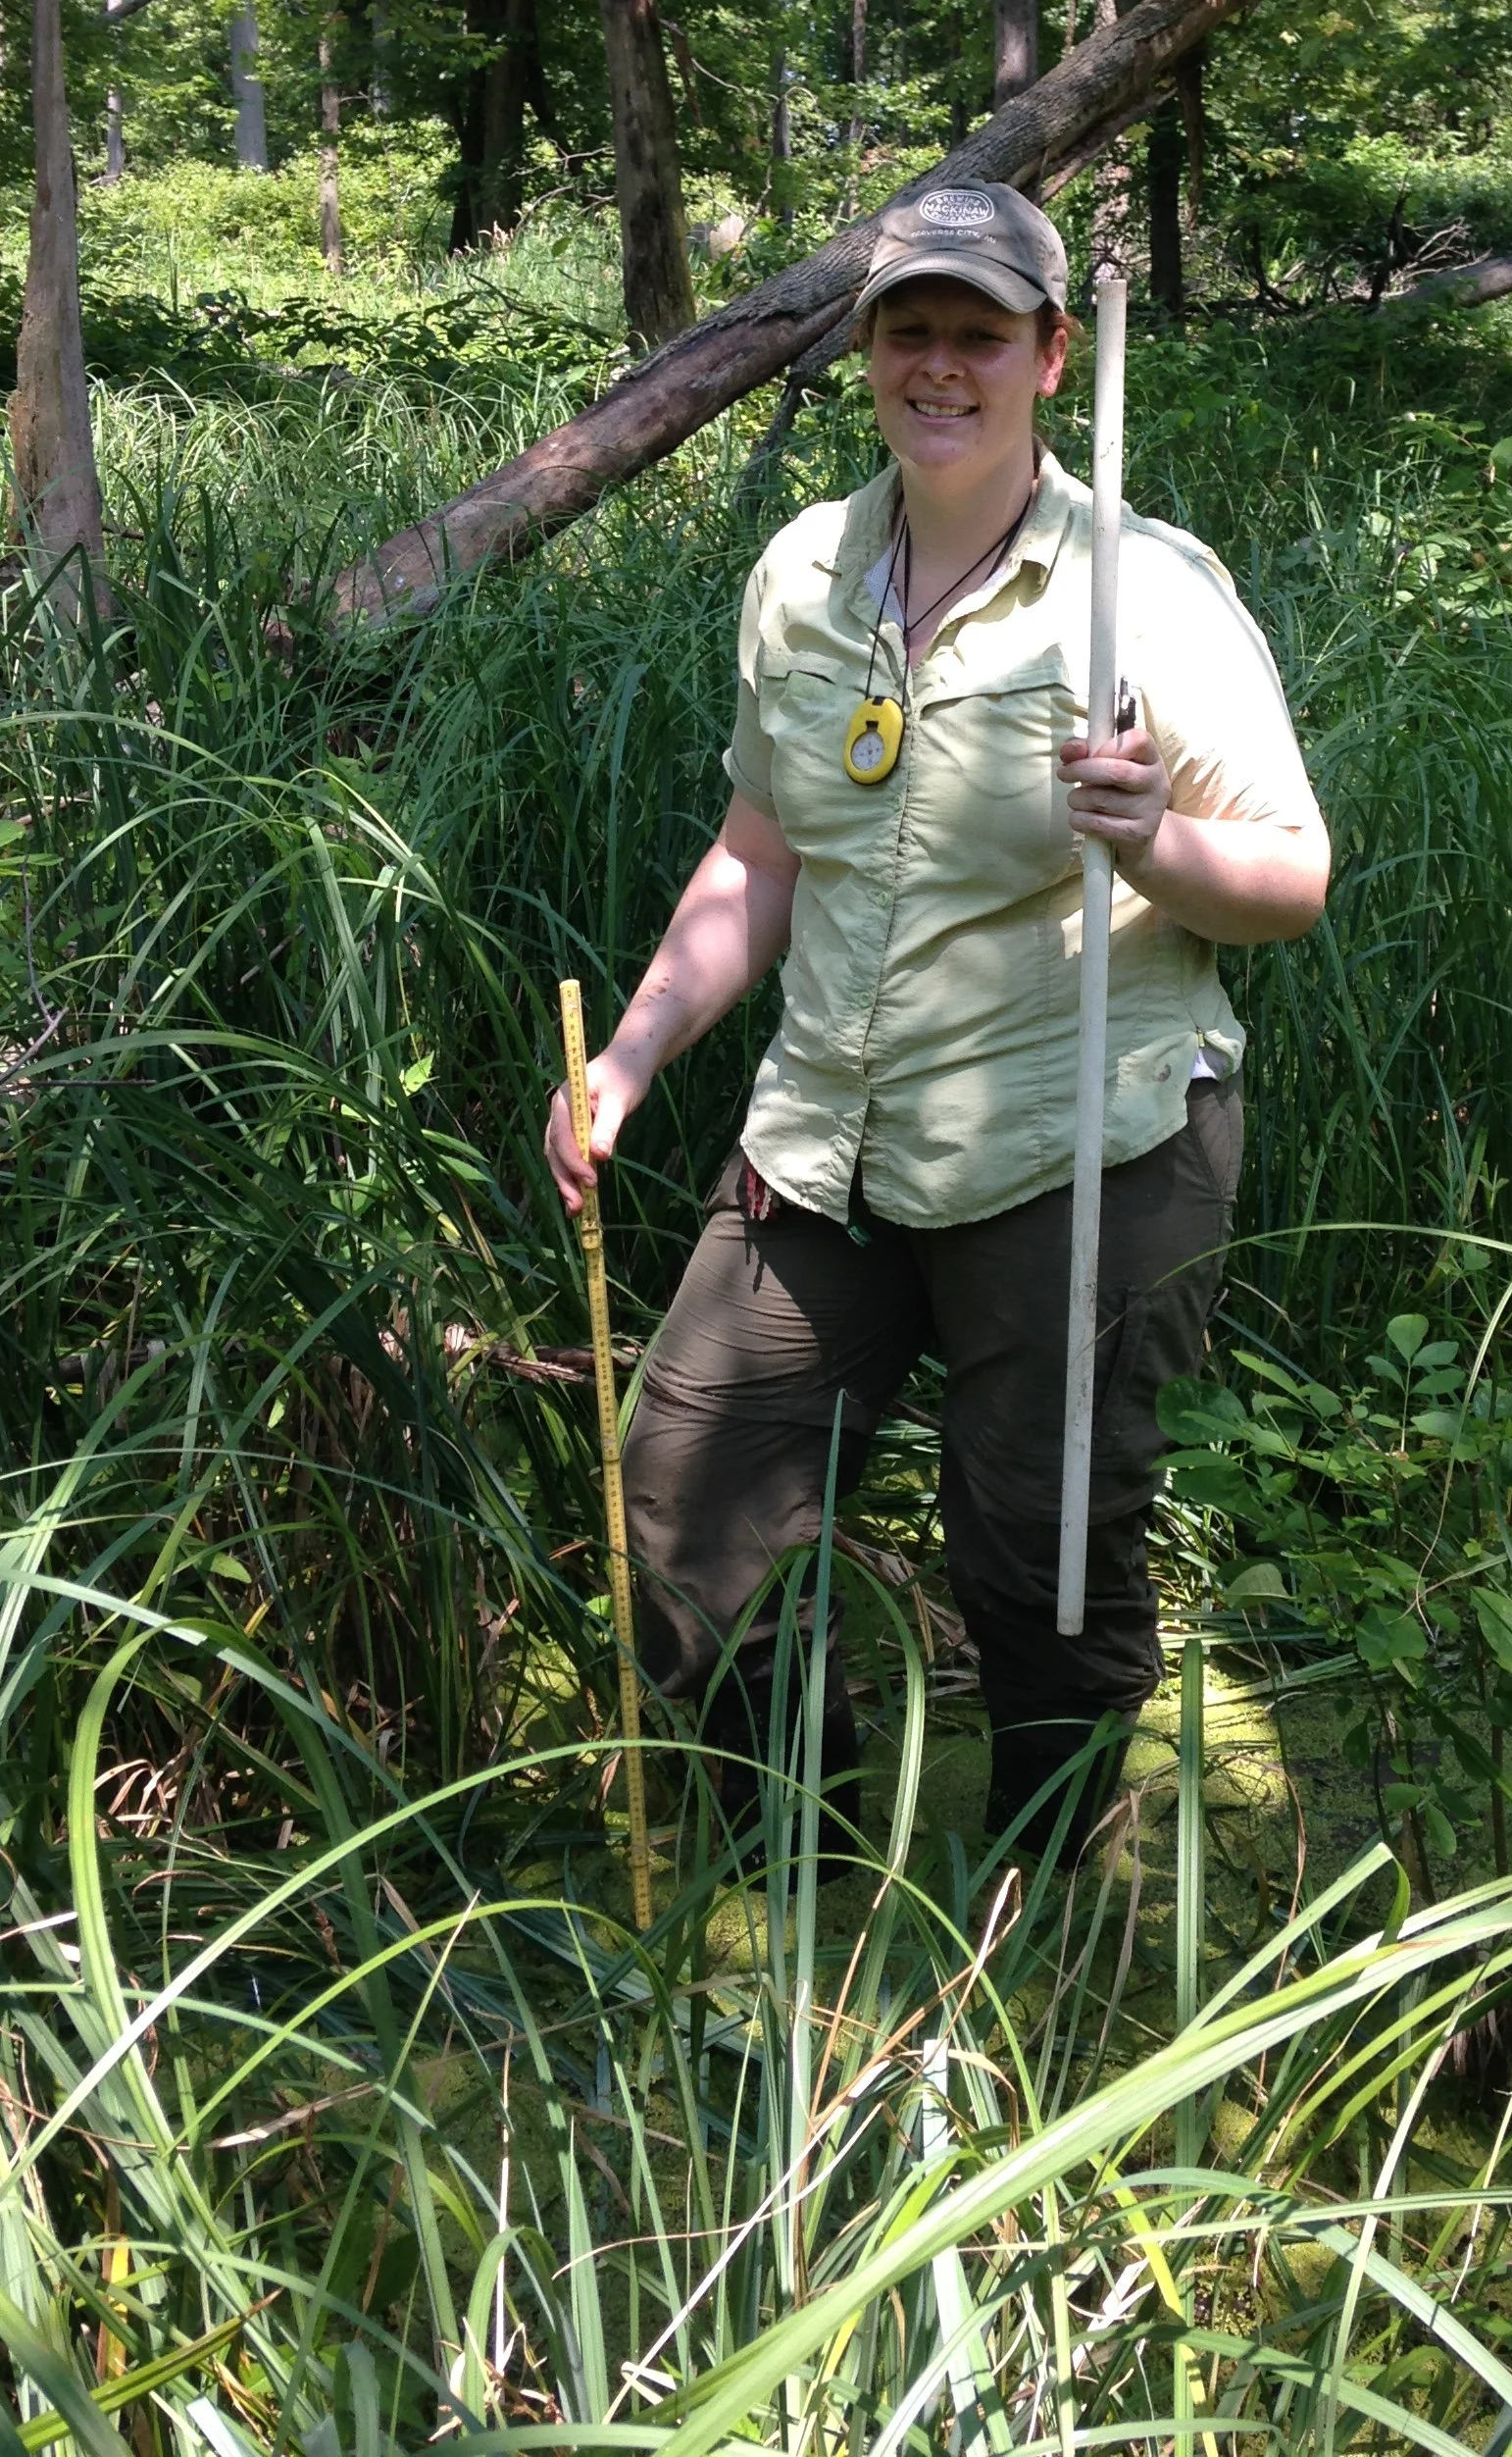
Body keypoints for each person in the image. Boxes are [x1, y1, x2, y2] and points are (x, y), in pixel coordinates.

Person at [545, 178, 1329, 1868]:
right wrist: (632, 1053)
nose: (943, 365)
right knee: (682, 1495)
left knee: (1042, 1563)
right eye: (914, 328)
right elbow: (763, 854)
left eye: (984, 332)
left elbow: (1291, 877)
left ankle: (1031, 1929)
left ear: (1054, 355)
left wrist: (1152, 840)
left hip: (1084, 1143)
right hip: (827, 1135)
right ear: (868, 348)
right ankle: (802, 1873)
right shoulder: (804, 575)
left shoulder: (1145, 592)